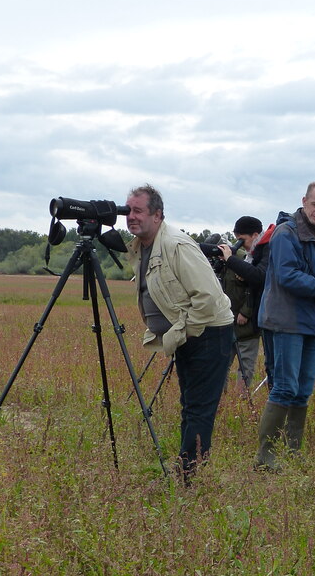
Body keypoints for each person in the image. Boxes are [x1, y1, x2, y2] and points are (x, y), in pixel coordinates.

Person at [125, 184, 235, 482]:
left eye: (138, 211)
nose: (130, 216)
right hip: (189, 334)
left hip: (209, 333)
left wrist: (182, 331)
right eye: (128, 210)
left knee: (198, 407)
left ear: (158, 215)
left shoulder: (176, 245)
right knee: (190, 405)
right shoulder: (142, 246)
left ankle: (189, 478)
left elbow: (208, 297)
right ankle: (189, 468)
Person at [253, 182, 315, 471]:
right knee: (284, 386)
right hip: (285, 320)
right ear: (304, 201)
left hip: (313, 319)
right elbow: (286, 276)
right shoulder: (286, 233)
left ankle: (292, 451)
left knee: (303, 388)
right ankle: (265, 456)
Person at [218, 215, 267, 391]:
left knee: (245, 368)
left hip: (247, 326)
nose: (239, 243)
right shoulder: (247, 256)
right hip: (228, 320)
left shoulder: (263, 255)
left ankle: (241, 401)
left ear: (255, 235)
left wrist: (246, 312)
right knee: (221, 364)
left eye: (242, 239)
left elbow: (256, 285)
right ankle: (220, 401)